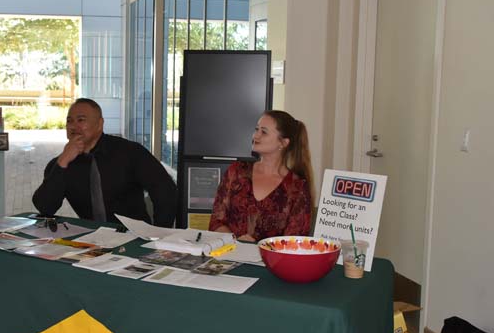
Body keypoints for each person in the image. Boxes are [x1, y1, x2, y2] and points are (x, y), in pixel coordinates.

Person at [33, 98, 177, 226]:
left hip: (133, 236)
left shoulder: (129, 152)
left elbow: (165, 190)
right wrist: (63, 161)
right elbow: (45, 208)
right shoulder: (60, 165)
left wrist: (160, 233)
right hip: (91, 240)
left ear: (99, 124)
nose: (73, 126)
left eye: (81, 120)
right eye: (69, 121)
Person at [209, 110, 313, 241]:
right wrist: (236, 242)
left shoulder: (297, 187)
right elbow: (216, 222)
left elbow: (294, 242)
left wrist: (258, 248)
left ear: (283, 143)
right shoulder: (236, 171)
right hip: (227, 256)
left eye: (263, 132)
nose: (255, 136)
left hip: (271, 261)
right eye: (256, 129)